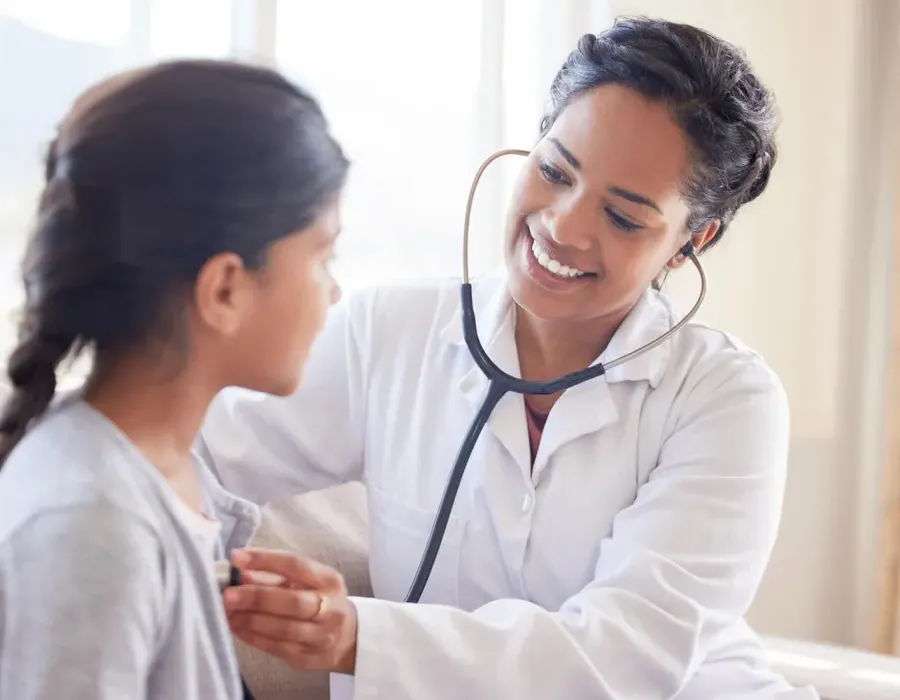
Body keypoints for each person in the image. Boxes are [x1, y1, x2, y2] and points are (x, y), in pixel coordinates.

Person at [204, 17, 819, 700]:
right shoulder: (388, 333)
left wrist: (357, 637)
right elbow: (198, 452)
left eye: (623, 217)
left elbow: (622, 660)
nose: (563, 225)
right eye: (555, 171)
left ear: (689, 241)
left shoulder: (726, 399)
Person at [0, 60, 348, 699]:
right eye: (323, 256)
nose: (335, 289)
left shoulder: (164, 471)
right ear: (224, 289)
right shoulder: (92, 526)